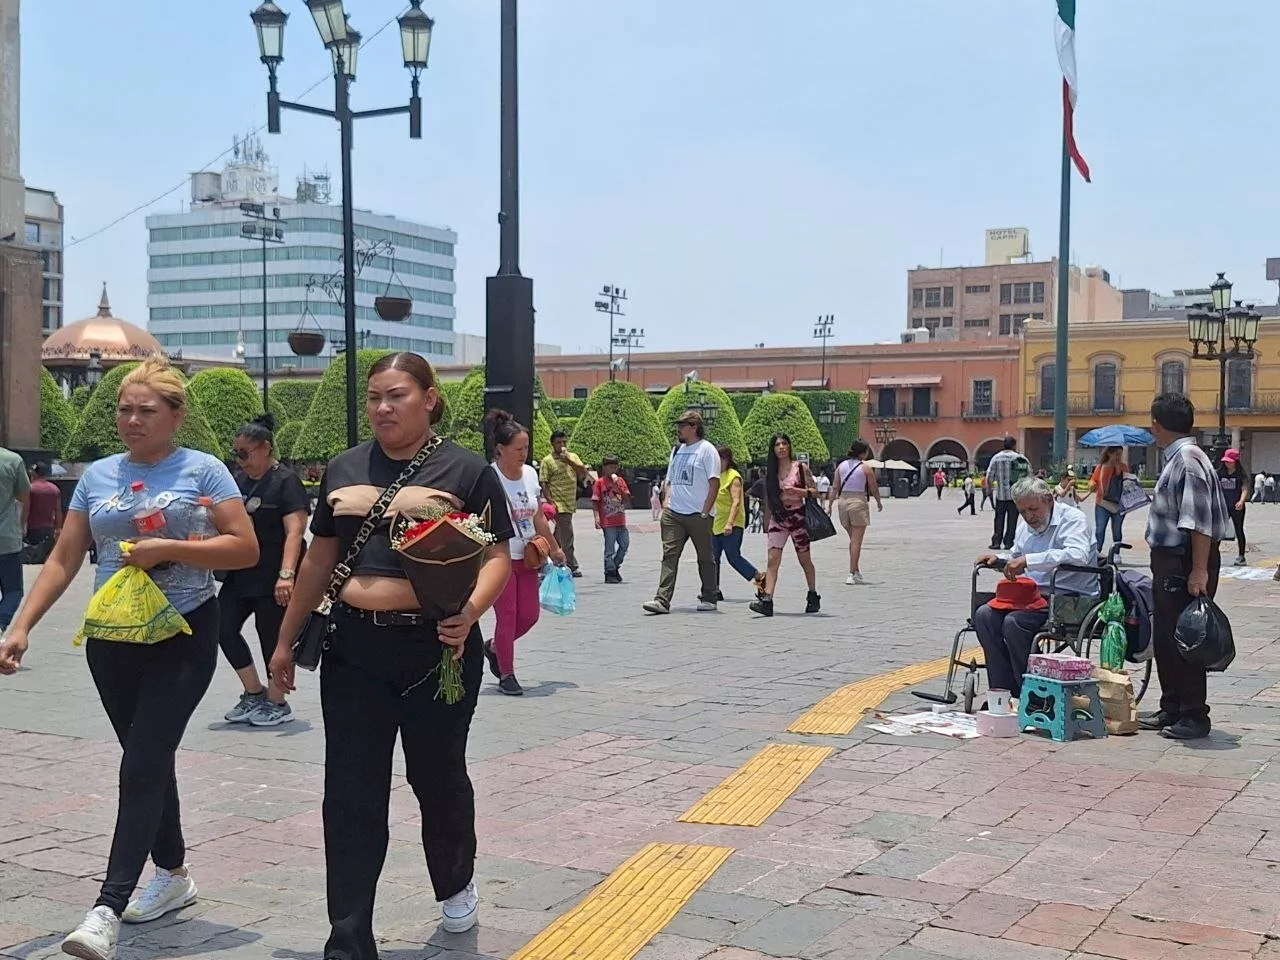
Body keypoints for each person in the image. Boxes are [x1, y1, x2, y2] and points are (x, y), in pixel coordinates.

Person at [0, 357, 258, 960]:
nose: (132, 420)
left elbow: (244, 548)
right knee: (147, 756)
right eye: (124, 409)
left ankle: (106, 908)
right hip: (112, 635)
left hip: (186, 632)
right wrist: (21, 626)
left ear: (176, 415)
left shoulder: (205, 470)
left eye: (146, 410)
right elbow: (65, 557)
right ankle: (171, 872)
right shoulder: (97, 475)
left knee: (141, 761)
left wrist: (168, 547)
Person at [270, 352, 514, 956]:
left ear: (429, 399)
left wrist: (470, 613)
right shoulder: (344, 468)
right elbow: (318, 560)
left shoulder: (469, 471)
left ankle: (455, 882)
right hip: (354, 647)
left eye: (397, 395)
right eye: (375, 396)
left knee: (437, 779)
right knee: (350, 792)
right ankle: (348, 939)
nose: (383, 407)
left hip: (438, 649)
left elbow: (497, 558)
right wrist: (283, 642)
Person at [1139, 393, 1229, 741]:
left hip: (1183, 561)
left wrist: (1199, 569)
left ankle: (1194, 714)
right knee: (1165, 637)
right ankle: (1172, 705)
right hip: (1169, 562)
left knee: (1187, 638)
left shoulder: (1188, 460)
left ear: (1157, 425)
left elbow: (1199, 522)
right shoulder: (1179, 457)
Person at [218, 416, 311, 727]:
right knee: (222, 627)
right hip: (240, 573)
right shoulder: (238, 481)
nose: (239, 460)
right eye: (236, 453)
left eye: (245, 453)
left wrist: (287, 575)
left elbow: (295, 531)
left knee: (271, 637)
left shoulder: (285, 481)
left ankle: (277, 700)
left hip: (274, 576)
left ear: (265, 448)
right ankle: (253, 691)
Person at [972, 477, 1095, 699]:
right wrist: (999, 558)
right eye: (1023, 511)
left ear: (1048, 499)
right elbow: (1016, 554)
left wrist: (1029, 561)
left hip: (1068, 597)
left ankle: (1031, 695)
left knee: (1015, 623)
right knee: (984, 616)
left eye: (1033, 509)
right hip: (1030, 596)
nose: (1029, 516)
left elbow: (1078, 554)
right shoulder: (1025, 527)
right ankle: (1002, 693)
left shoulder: (1073, 519)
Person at [487, 409, 565, 696]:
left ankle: (495, 647)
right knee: (507, 616)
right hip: (499, 558)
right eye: (518, 449)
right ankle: (507, 674)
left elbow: (537, 517)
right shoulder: (489, 477)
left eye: (526, 447)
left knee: (529, 616)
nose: (523, 453)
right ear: (500, 449)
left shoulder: (530, 475)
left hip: (529, 556)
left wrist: (555, 548)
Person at [643, 410, 720, 615]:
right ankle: (662, 600)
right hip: (674, 513)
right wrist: (666, 501)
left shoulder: (707, 450)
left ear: (694, 427)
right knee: (670, 555)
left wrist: (706, 511)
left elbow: (714, 483)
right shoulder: (677, 450)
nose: (678, 429)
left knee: (705, 557)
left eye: (682, 425)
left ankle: (709, 595)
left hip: (698, 514)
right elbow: (670, 478)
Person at [750, 434, 821, 617]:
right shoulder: (770, 472)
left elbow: (815, 492)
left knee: (804, 559)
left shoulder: (800, 468)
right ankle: (767, 599)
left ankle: (812, 594)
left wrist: (799, 491)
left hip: (798, 516)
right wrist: (767, 521)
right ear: (772, 449)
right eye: (777, 444)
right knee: (772, 560)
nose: (781, 447)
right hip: (778, 517)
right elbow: (768, 499)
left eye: (784, 444)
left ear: (789, 446)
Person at [711, 446, 765, 600]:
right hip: (716, 523)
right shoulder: (716, 476)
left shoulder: (733, 477)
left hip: (732, 523)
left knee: (733, 557)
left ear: (726, 460)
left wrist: (729, 523)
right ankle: (713, 589)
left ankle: (759, 577)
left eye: (718, 459)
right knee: (713, 558)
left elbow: (736, 502)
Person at [831, 440, 881, 585]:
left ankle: (856, 570)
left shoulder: (841, 466)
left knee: (853, 540)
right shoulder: (865, 468)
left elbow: (835, 487)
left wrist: (829, 505)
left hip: (843, 502)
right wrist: (878, 501)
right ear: (862, 453)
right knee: (856, 541)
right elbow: (873, 488)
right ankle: (851, 573)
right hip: (858, 501)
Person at [539, 429, 587, 578]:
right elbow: (544, 482)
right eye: (558, 442)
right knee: (567, 533)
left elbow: (583, 471)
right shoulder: (547, 461)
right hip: (558, 503)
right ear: (553, 444)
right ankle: (571, 564)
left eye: (564, 442)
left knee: (558, 534)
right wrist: (550, 501)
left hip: (570, 501)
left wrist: (569, 461)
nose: (562, 445)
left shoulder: (572, 457)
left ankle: (545, 556)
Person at [0, 445, 29, 632]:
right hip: (6, 538)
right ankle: (1, 623)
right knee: (13, 591)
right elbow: (23, 494)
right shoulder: (11, 460)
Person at [592, 455, 630, 582]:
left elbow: (626, 498)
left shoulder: (620, 481)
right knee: (609, 548)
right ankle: (610, 572)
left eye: (615, 467)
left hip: (620, 519)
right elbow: (595, 501)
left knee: (624, 544)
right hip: (608, 521)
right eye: (610, 467)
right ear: (604, 468)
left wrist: (620, 486)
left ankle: (614, 566)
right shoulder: (600, 483)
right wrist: (596, 517)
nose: (613, 470)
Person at [985, 437, 1027, 550]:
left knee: (999, 519)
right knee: (1012, 520)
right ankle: (1009, 541)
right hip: (1015, 496)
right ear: (1014, 445)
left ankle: (996, 542)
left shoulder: (996, 458)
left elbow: (989, 476)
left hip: (1001, 495)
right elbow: (1027, 475)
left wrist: (989, 490)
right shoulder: (1020, 458)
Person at [1086, 446, 1129, 553]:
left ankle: (1116, 553)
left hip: (1118, 503)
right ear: (1109, 453)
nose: (1119, 457)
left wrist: (1117, 467)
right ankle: (1097, 552)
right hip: (1102, 503)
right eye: (1117, 454)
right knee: (1100, 529)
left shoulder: (1123, 467)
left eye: (1120, 454)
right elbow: (1093, 480)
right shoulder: (1100, 467)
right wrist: (1092, 484)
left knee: (1117, 530)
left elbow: (1126, 480)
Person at [1218, 449, 1250, 566]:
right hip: (1223, 506)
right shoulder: (1219, 473)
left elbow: (1245, 488)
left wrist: (1241, 501)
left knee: (1239, 530)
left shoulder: (1240, 474)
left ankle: (1241, 556)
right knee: (1219, 530)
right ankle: (1213, 553)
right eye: (1226, 461)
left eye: (1230, 461)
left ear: (1235, 461)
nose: (1227, 463)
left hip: (1237, 506)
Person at [24, 462, 61, 560]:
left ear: (34, 474)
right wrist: (58, 528)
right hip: (49, 528)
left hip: (32, 528)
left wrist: (21, 525)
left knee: (33, 556)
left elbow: (26, 509)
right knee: (45, 557)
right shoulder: (55, 489)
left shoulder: (30, 489)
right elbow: (58, 511)